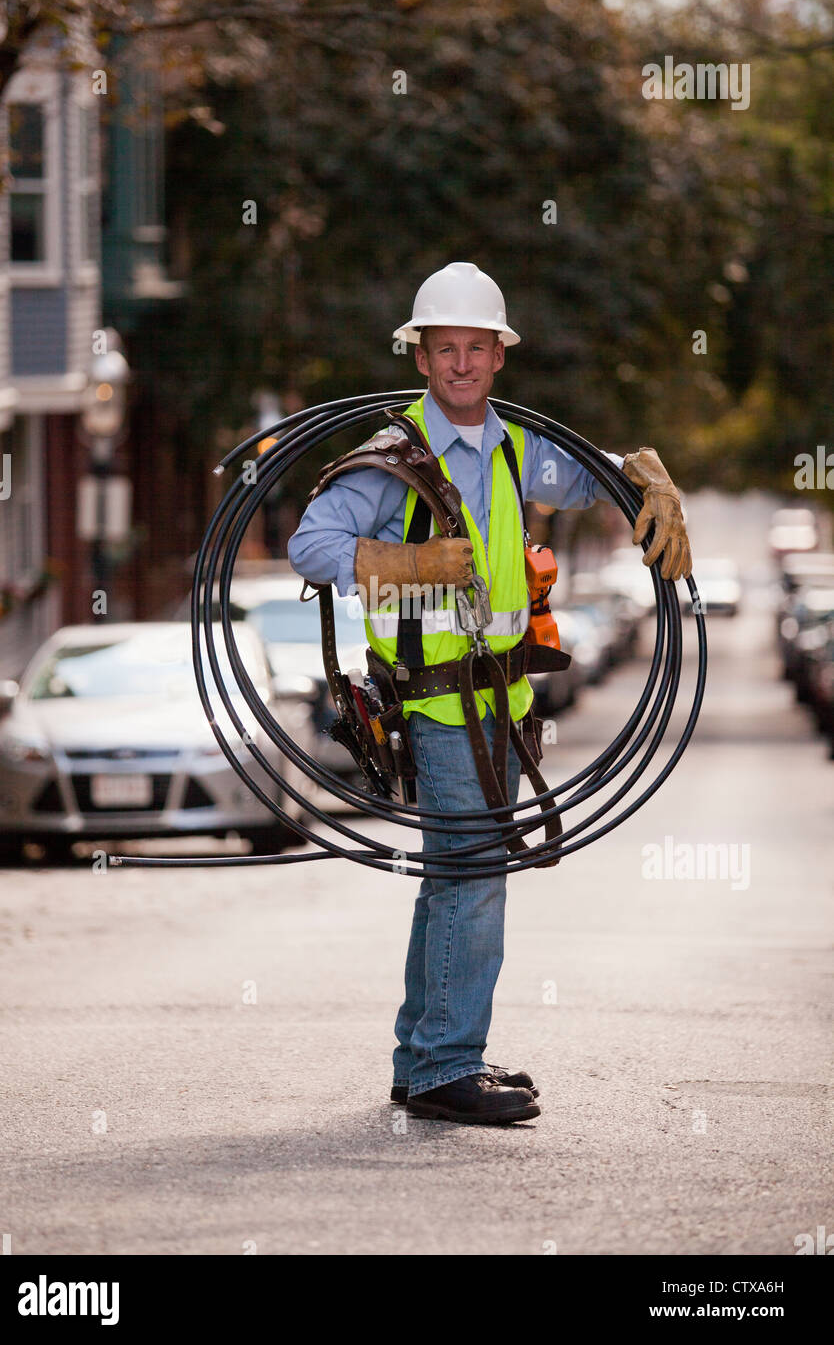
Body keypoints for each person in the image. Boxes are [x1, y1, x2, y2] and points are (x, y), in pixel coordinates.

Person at [288, 262, 692, 1125]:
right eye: (446, 349)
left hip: (504, 705)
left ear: (498, 358)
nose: (462, 364)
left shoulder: (516, 451)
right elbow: (311, 544)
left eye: (477, 347)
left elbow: (589, 480)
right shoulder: (393, 458)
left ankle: (424, 1055)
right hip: (435, 705)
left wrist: (641, 470)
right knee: (475, 878)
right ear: (422, 356)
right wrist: (400, 560)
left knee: (451, 880)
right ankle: (445, 1066)